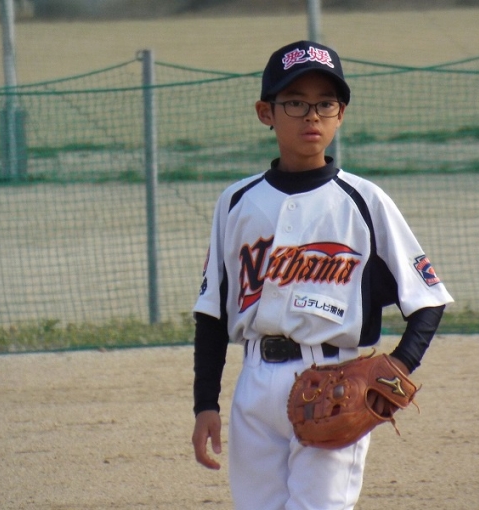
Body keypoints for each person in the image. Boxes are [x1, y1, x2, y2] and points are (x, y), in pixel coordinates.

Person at [191, 40, 454, 510]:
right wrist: (205, 404)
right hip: (254, 385)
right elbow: (212, 313)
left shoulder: (364, 201)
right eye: (295, 102)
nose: (311, 115)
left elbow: (428, 299)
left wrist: (397, 369)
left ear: (340, 114)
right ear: (266, 112)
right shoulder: (236, 202)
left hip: (334, 385)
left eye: (325, 103)